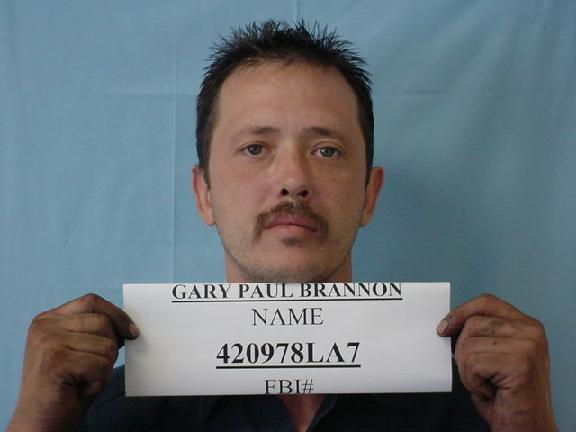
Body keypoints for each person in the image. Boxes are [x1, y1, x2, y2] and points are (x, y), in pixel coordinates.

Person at [8, 20, 556, 432]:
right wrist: (34, 423)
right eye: (255, 148)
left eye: (327, 149)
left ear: (369, 195)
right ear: (204, 194)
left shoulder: (483, 410)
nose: (293, 179)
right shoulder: (100, 414)